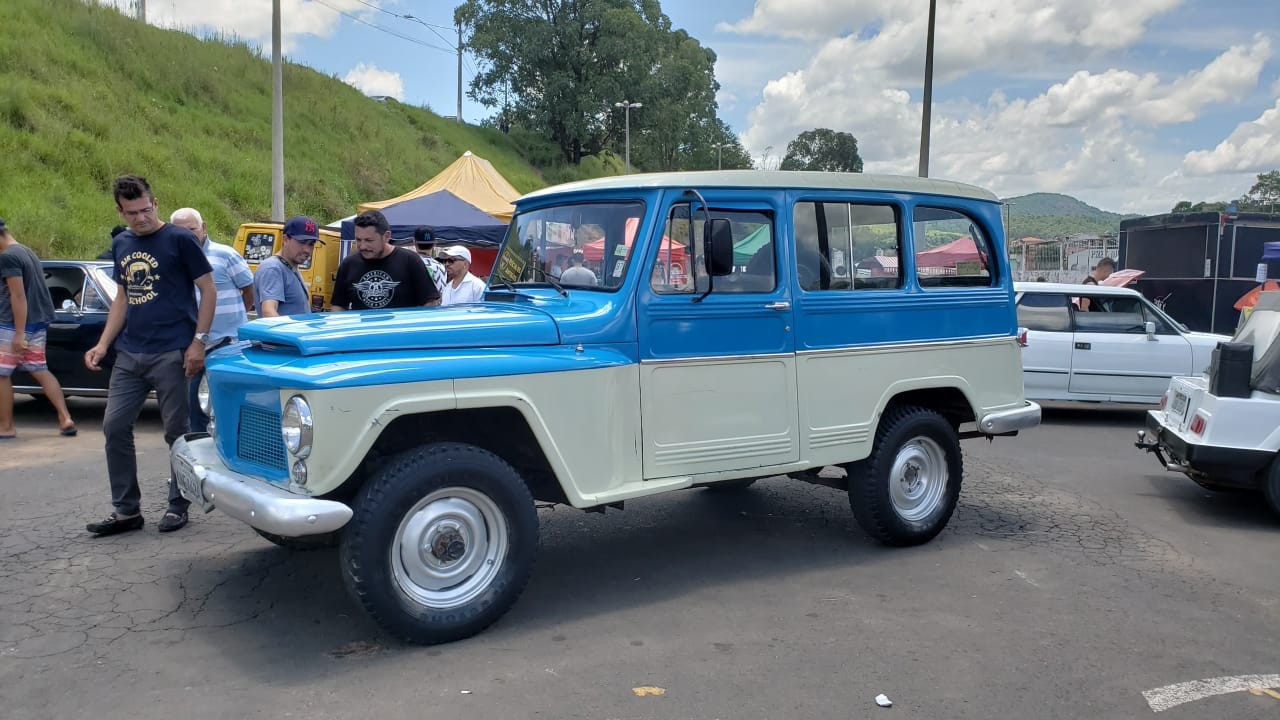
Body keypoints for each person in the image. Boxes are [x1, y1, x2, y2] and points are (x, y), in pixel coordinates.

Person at [84, 175, 215, 537]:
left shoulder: (179, 239)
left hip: (172, 351)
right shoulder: (122, 243)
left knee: (177, 432)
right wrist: (103, 343)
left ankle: (178, 505)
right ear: (120, 211)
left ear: (154, 203)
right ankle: (127, 511)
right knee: (114, 426)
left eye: (145, 210)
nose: (140, 218)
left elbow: (207, 289)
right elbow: (123, 297)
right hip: (130, 351)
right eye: (132, 213)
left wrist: (198, 342)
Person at [171, 207, 253, 433]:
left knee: (229, 403)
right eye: (180, 231)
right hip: (193, 347)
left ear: (203, 228)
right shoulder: (173, 258)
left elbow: (249, 290)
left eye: (192, 229)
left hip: (227, 344)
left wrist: (234, 318)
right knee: (196, 406)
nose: (187, 235)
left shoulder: (225, 255)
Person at [0, 218, 77, 439]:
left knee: (1, 374)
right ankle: (65, 417)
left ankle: (6, 426)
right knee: (39, 368)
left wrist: (18, 333)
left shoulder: (7, 257)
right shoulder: (25, 251)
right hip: (36, 322)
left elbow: (18, 295)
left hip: (12, 325)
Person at [331, 210, 439, 311]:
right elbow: (338, 306)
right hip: (363, 330)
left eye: (369, 240)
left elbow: (429, 303)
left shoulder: (410, 261)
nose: (362, 246)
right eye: (358, 240)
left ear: (386, 236)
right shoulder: (348, 264)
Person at [255, 216, 320, 318]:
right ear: (285, 239)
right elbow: (268, 312)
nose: (307, 250)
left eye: (311, 244)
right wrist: (284, 334)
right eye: (302, 242)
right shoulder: (273, 268)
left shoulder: (290, 266)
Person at [413, 225, 447, 300]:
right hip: (430, 310)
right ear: (434, 244)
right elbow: (441, 295)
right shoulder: (439, 266)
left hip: (406, 309)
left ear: (414, 242)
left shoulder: (405, 262)